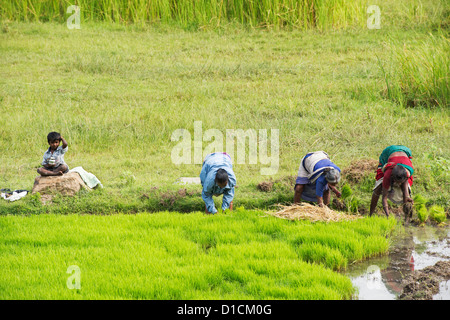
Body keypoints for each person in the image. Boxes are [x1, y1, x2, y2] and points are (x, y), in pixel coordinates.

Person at [369, 145, 414, 218]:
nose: (399, 184)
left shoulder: (407, 173)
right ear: (392, 177)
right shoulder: (388, 174)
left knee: (406, 188)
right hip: (389, 152)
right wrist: (388, 216)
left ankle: (407, 218)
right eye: (397, 181)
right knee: (378, 187)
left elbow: (406, 194)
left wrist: (407, 198)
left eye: (400, 182)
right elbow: (384, 198)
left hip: (406, 151)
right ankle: (370, 215)